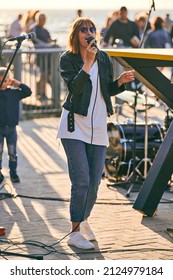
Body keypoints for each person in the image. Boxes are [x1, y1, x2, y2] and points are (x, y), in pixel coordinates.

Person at [57, 17, 135, 250]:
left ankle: (83, 220)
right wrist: (87, 63)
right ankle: (74, 232)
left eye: (92, 29)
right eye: (84, 30)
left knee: (94, 183)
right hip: (74, 127)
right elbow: (74, 88)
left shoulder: (104, 58)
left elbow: (105, 90)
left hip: (98, 127)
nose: (89, 32)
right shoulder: (67, 59)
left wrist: (119, 83)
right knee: (81, 180)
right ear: (76, 34)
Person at [0, 67, 32, 184]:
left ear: (9, 81)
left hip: (11, 128)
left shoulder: (14, 93)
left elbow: (28, 92)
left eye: (4, 80)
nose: (2, 83)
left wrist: (18, 84)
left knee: (12, 151)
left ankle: (13, 172)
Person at [31, 12, 57, 100]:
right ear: (37, 19)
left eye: (44, 19)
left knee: (45, 75)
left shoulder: (45, 30)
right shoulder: (34, 29)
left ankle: (41, 93)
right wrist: (47, 44)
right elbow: (35, 40)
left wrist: (52, 41)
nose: (43, 21)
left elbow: (49, 40)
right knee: (42, 75)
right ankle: (41, 94)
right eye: (41, 19)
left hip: (47, 56)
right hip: (40, 56)